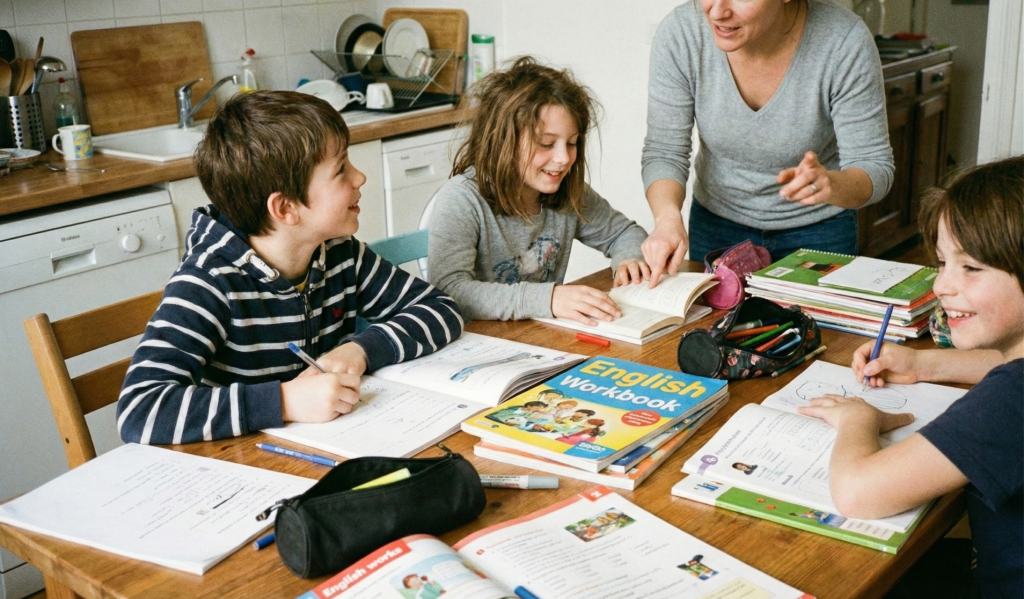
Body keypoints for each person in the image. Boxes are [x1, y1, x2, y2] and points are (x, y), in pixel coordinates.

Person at [116, 91, 463, 445]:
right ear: (285, 209)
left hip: (334, 444)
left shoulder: (339, 254)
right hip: (247, 467)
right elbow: (140, 410)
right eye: (341, 169)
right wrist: (284, 401)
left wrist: (361, 349)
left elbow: (440, 309)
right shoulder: (209, 283)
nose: (359, 177)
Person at [798, 156, 1024, 597]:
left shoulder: (1012, 401)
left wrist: (857, 419)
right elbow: (1007, 364)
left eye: (971, 267)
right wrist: (925, 364)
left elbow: (858, 493)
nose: (941, 287)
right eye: (942, 262)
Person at [641, 0, 894, 286]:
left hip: (819, 232)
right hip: (716, 227)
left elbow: (874, 165)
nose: (717, 11)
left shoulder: (843, 41)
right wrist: (666, 218)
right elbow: (664, 150)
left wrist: (832, 184)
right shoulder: (682, 33)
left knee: (820, 332)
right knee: (712, 330)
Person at [428, 56, 650, 325]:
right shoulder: (462, 198)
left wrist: (628, 259)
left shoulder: (567, 194)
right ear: (502, 141)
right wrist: (549, 299)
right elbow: (450, 291)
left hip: (540, 341)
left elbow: (624, 233)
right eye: (546, 143)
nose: (564, 158)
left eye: (571, 143)